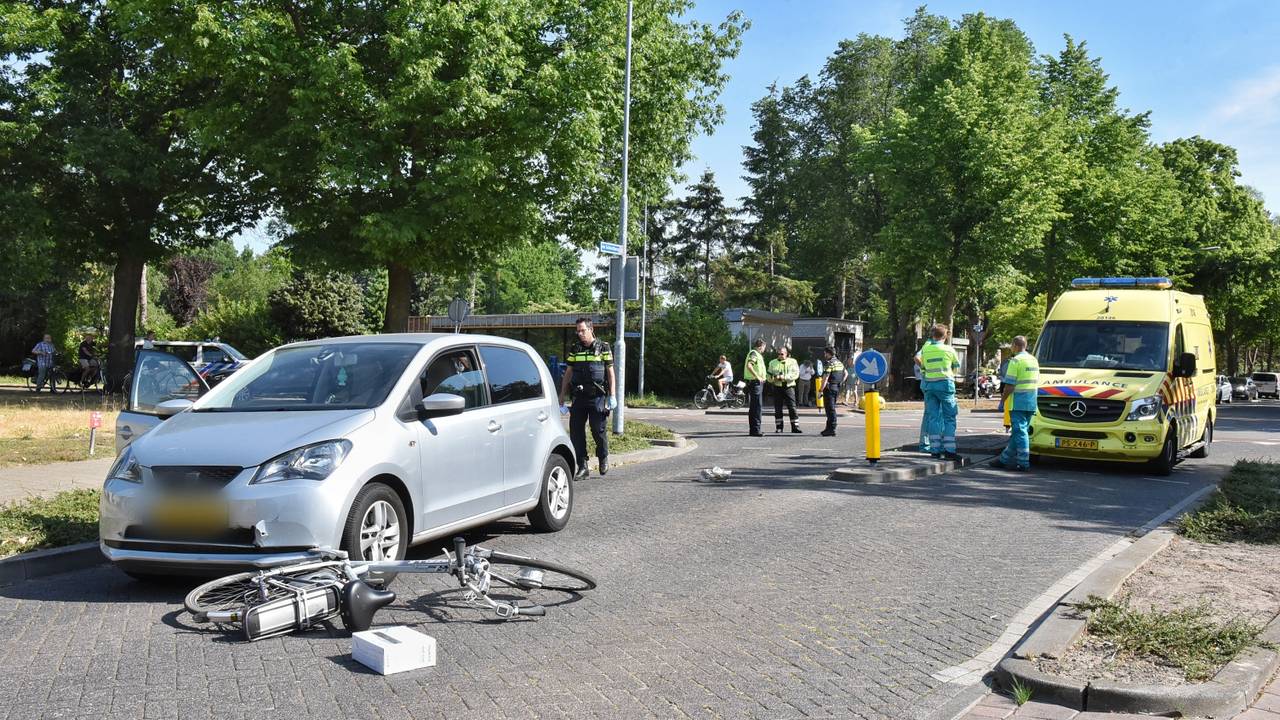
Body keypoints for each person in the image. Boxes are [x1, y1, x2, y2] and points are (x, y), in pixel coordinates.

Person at [559, 318, 616, 480]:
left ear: (591, 329)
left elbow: (610, 373)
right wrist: (562, 395)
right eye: (578, 331)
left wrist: (612, 395)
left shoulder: (603, 347)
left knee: (598, 429)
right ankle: (582, 466)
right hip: (579, 397)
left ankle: (603, 457)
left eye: (583, 330)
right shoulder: (575, 348)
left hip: (597, 396)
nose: (580, 333)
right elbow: (568, 373)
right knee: (576, 431)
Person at [991, 336, 1039, 471]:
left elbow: (1009, 386)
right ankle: (1003, 459)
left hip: (1018, 402)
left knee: (1020, 432)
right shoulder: (1034, 360)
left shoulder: (1015, 361)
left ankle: (1023, 462)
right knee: (1018, 432)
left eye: (1012, 345)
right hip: (1031, 401)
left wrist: (1002, 401)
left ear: (1015, 346)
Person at [915, 324, 961, 460]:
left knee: (933, 418)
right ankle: (949, 450)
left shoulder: (926, 350)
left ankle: (934, 449)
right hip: (945, 385)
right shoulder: (949, 349)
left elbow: (923, 368)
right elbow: (956, 366)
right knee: (949, 418)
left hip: (929, 386)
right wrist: (950, 375)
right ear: (945, 336)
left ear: (932, 335)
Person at [767, 345, 802, 433]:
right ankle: (779, 427)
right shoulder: (772, 363)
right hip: (777, 387)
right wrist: (773, 378)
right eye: (778, 354)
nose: (780, 355)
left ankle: (795, 427)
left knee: (792, 407)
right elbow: (768, 376)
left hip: (789, 387)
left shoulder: (793, 362)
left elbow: (796, 374)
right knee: (778, 408)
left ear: (786, 354)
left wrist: (784, 377)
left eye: (782, 354)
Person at [819, 346, 846, 437]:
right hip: (836, 387)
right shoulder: (839, 363)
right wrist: (840, 382)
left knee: (830, 409)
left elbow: (825, 378)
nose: (824, 355)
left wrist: (820, 390)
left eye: (825, 353)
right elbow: (846, 373)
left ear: (828, 353)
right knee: (831, 408)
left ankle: (832, 428)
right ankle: (828, 428)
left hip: (829, 388)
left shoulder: (829, 364)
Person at [743, 339, 767, 437]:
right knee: (757, 407)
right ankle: (756, 430)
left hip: (755, 383)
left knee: (754, 407)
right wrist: (757, 376)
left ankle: (754, 429)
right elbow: (749, 365)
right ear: (761, 346)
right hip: (755, 383)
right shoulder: (754, 353)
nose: (764, 349)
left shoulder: (756, 354)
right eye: (764, 347)